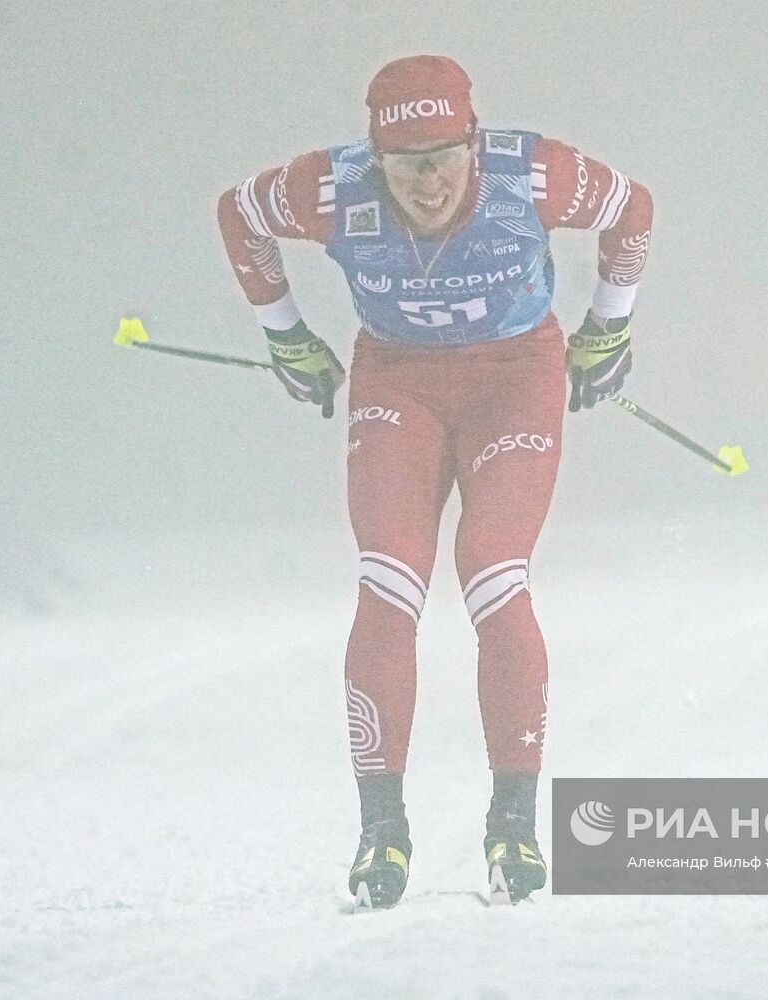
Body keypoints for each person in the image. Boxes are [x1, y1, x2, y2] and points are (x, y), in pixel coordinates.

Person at [217, 54, 653, 907]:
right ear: (372, 157)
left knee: (494, 573)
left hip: (513, 379)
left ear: (474, 142)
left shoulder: (533, 173)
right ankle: (383, 833)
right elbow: (237, 216)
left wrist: (608, 329)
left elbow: (633, 209)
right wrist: (284, 334)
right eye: (405, 165)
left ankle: (514, 826)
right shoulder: (327, 188)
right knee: (387, 585)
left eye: (445, 159)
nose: (426, 183)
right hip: (399, 383)